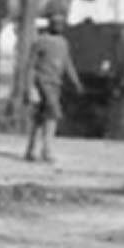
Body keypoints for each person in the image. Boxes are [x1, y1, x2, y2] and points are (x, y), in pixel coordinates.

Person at [23, 9, 82, 163]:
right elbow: (30, 66)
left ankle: (31, 150)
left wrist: (76, 82)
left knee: (39, 118)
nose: (59, 26)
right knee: (53, 115)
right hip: (42, 83)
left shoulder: (63, 43)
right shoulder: (40, 41)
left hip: (56, 85)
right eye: (56, 23)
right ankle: (46, 151)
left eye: (61, 23)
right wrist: (30, 88)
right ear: (50, 24)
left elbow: (68, 64)